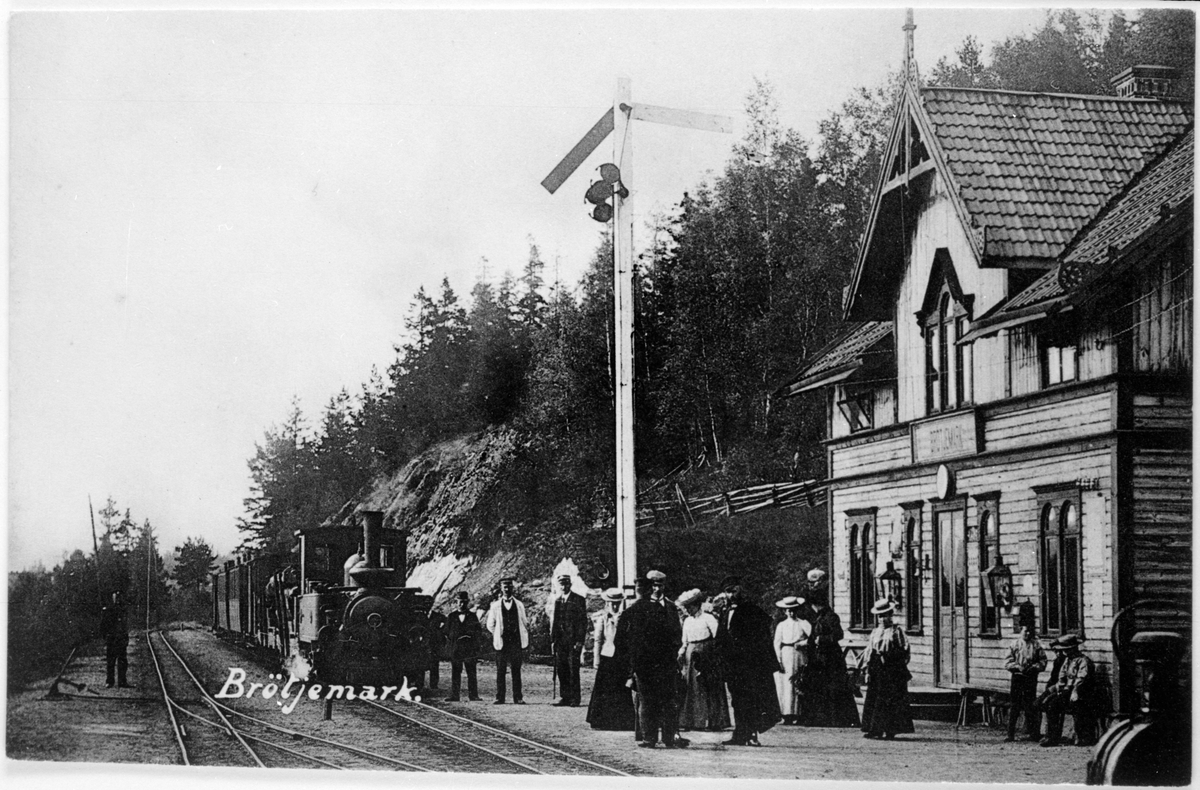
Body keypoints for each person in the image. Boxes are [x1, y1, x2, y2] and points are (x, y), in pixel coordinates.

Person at [614, 577, 684, 748]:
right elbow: (622, 635)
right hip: (653, 663)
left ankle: (659, 738)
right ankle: (658, 738)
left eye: (659, 585)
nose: (655, 589)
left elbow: (677, 634)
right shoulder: (648, 609)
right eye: (652, 586)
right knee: (657, 701)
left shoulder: (666, 608)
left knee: (659, 701)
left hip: (656, 663)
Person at [716, 576, 782, 746]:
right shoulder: (724, 612)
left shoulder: (752, 610)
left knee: (750, 698)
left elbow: (762, 638)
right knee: (736, 700)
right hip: (732, 665)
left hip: (749, 664)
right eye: (727, 591)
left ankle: (752, 734)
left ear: (740, 589)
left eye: (734, 590)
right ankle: (739, 734)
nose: (731, 595)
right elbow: (721, 637)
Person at [800, 569, 860, 727]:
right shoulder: (814, 617)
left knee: (834, 687)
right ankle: (819, 718)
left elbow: (838, 635)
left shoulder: (831, 617)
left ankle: (838, 718)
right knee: (818, 686)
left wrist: (824, 639)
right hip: (818, 657)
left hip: (831, 657)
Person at [859, 599, 914, 740]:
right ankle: (874, 729)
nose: (883, 619)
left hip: (891, 668)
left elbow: (904, 651)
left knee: (889, 699)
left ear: (891, 615)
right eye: (880, 616)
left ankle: (890, 730)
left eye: (886, 615)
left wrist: (891, 658)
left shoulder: (896, 631)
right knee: (875, 697)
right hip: (877, 666)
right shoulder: (875, 632)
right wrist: (867, 669)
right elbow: (869, 650)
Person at [676, 588, 730, 731]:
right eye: (686, 607)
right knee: (692, 687)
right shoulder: (687, 621)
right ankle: (692, 721)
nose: (688, 610)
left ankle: (712, 721)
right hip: (691, 657)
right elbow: (684, 642)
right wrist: (681, 653)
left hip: (707, 655)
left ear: (697, 605)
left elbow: (717, 638)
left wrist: (712, 654)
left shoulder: (708, 618)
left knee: (708, 687)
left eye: (690, 607)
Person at [586, 588, 635, 730]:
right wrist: (596, 660)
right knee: (605, 688)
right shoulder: (603, 618)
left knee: (620, 689)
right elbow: (598, 640)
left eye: (617, 603)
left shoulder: (625, 618)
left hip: (621, 657)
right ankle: (602, 720)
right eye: (611, 603)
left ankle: (621, 721)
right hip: (607, 656)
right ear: (607, 603)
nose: (614, 606)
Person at [1038, 634, 1098, 747]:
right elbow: (1062, 676)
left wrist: (1075, 691)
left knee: (1075, 706)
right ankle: (1052, 737)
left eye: (1065, 650)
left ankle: (1083, 737)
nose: (1063, 652)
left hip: (1082, 692)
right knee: (1051, 704)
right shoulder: (1068, 660)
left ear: (1072, 649)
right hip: (1068, 691)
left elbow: (1082, 679)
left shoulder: (1083, 661)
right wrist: (1059, 689)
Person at [1004, 605, 1047, 742]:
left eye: (1030, 632)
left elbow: (1043, 661)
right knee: (1015, 705)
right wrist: (1017, 667)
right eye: (1025, 631)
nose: (1027, 634)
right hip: (1017, 677)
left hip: (1030, 678)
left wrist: (1035, 667)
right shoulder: (1015, 645)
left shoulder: (1036, 645)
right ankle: (1010, 734)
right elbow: (1007, 662)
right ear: (1020, 631)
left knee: (1030, 705)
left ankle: (1033, 733)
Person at [486, 577, 529, 704]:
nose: (507, 589)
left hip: (516, 642)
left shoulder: (519, 605)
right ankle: (500, 697)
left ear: (512, 588)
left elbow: (524, 622)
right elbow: (490, 625)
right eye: (505, 587)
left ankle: (518, 697)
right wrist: (498, 634)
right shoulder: (495, 606)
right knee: (501, 670)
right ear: (501, 588)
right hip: (502, 643)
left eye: (509, 586)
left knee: (516, 670)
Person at [550, 573, 588, 707]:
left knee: (573, 669)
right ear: (559, 586)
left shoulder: (578, 600)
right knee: (562, 669)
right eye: (561, 584)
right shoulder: (558, 600)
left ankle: (575, 698)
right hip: (561, 641)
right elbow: (555, 622)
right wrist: (553, 640)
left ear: (570, 585)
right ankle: (564, 697)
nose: (564, 586)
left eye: (566, 584)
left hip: (573, 641)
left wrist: (580, 641)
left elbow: (583, 622)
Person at [773, 595, 811, 725]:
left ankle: (799, 714)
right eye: (788, 610)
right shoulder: (781, 625)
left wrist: (802, 643)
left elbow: (812, 638)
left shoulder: (803, 623)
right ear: (784, 611)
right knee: (785, 684)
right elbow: (776, 643)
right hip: (786, 654)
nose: (791, 612)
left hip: (799, 654)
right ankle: (786, 714)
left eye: (794, 610)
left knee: (798, 682)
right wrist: (778, 660)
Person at [444, 592, 483, 701]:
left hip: (469, 649)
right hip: (456, 649)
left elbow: (478, 632)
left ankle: (473, 695)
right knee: (456, 672)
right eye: (460, 602)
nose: (462, 605)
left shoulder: (472, 616)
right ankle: (454, 695)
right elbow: (446, 632)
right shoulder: (451, 617)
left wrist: (474, 644)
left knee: (471, 673)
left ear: (467, 603)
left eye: (464, 602)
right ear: (456, 603)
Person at [99, 591, 130, 688]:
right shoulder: (108, 611)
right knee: (111, 662)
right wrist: (105, 637)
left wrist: (125, 638)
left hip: (120, 639)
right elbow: (103, 625)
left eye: (118, 598)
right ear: (112, 599)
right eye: (115, 598)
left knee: (122, 661)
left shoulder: (122, 610)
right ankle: (110, 681)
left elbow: (124, 626)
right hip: (112, 639)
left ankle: (122, 681)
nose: (117, 600)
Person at [426, 606, 448, 690]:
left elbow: (447, 622)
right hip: (423, 643)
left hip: (434, 643)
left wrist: (440, 632)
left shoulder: (437, 616)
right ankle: (419, 685)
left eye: (428, 604)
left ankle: (434, 685)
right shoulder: (419, 615)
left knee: (434, 664)